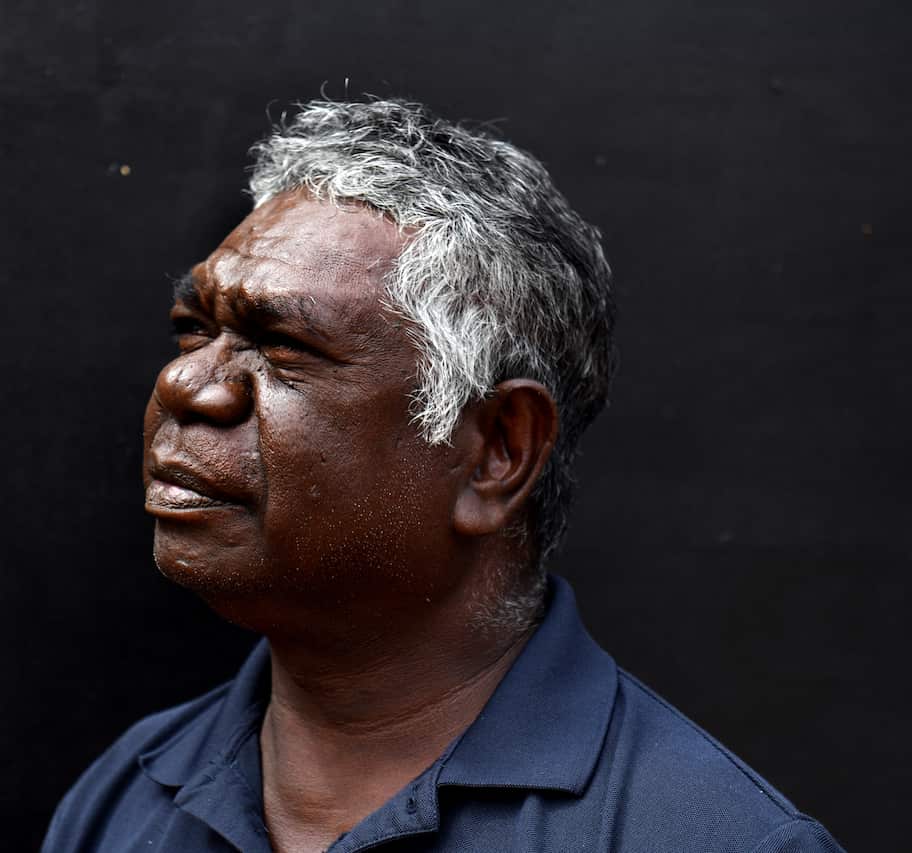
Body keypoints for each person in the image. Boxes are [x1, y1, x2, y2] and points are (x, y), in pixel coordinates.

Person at [41, 99, 843, 852]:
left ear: (496, 450)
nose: (186, 386)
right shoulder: (125, 796)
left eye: (282, 345)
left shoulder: (706, 836)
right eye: (194, 330)